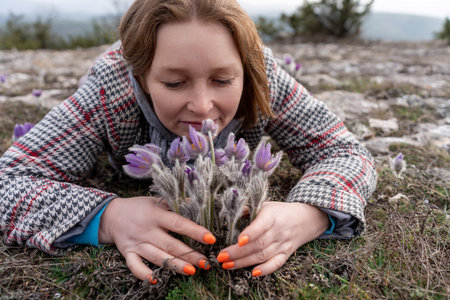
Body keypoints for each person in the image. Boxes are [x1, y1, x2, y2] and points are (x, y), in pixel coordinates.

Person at [0, 0, 377, 284]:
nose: (202, 106)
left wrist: (309, 214)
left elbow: (344, 152)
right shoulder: (110, 87)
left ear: (244, 68)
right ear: (140, 74)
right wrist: (109, 217)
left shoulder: (262, 76)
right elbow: (9, 182)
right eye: (175, 83)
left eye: (223, 81)